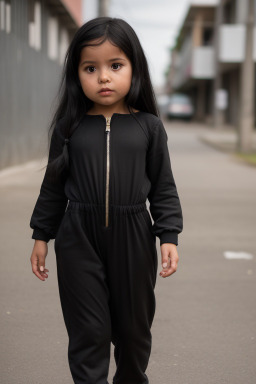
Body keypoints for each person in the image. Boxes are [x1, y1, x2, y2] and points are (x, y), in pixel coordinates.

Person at [29, 16, 183, 384]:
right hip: (77, 237)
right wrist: (40, 235)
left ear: (135, 69)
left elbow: (163, 186)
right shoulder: (70, 127)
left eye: (115, 65)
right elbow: (52, 185)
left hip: (134, 237)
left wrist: (169, 236)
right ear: (76, 74)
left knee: (132, 334)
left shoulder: (149, 127)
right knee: (89, 331)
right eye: (90, 68)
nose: (103, 77)